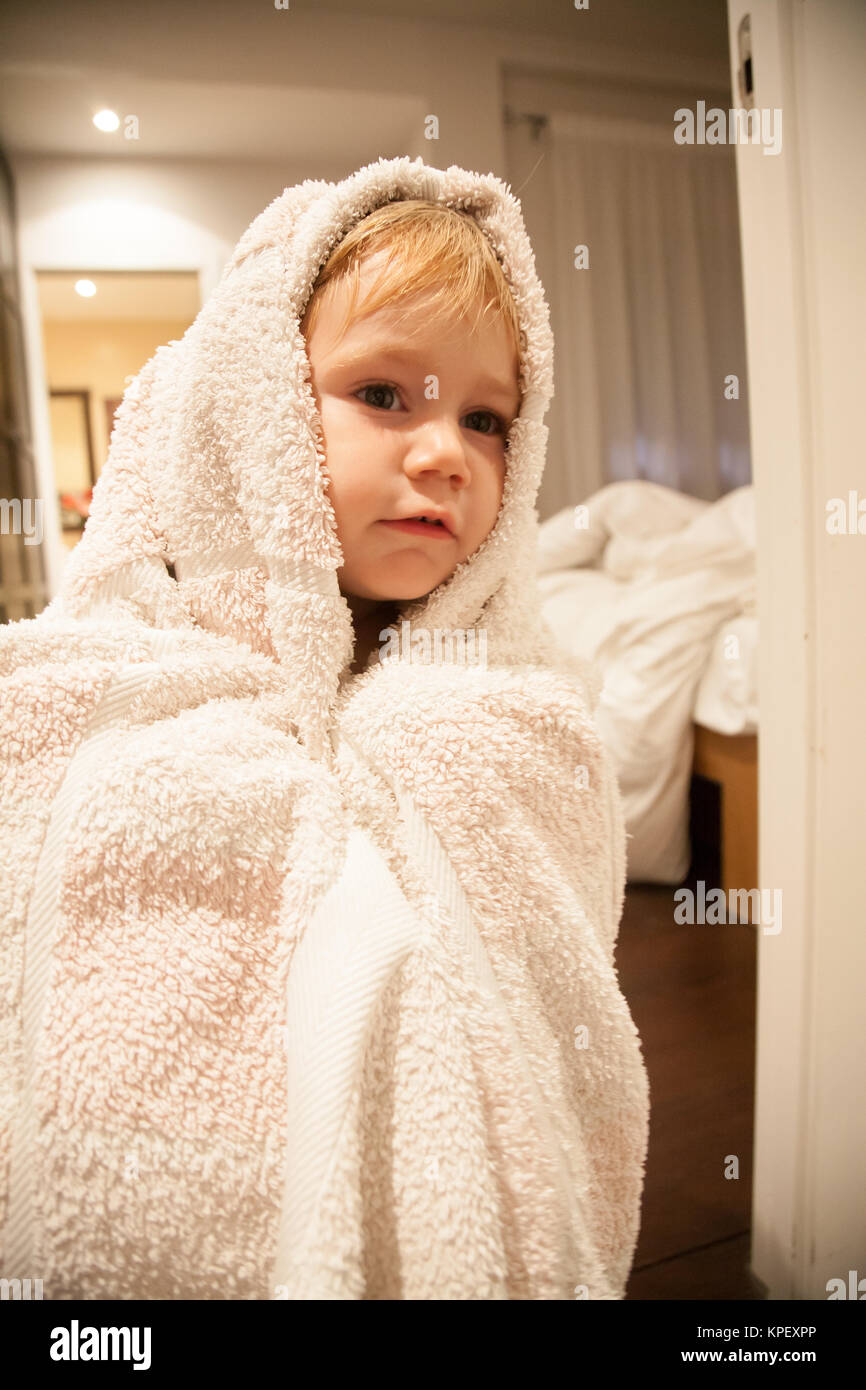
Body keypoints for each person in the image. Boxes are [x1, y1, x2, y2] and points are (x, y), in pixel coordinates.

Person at [0, 157, 649, 1300]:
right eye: (384, 393)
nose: (446, 451)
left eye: (486, 416)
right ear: (250, 417)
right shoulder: (91, 688)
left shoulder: (515, 714)